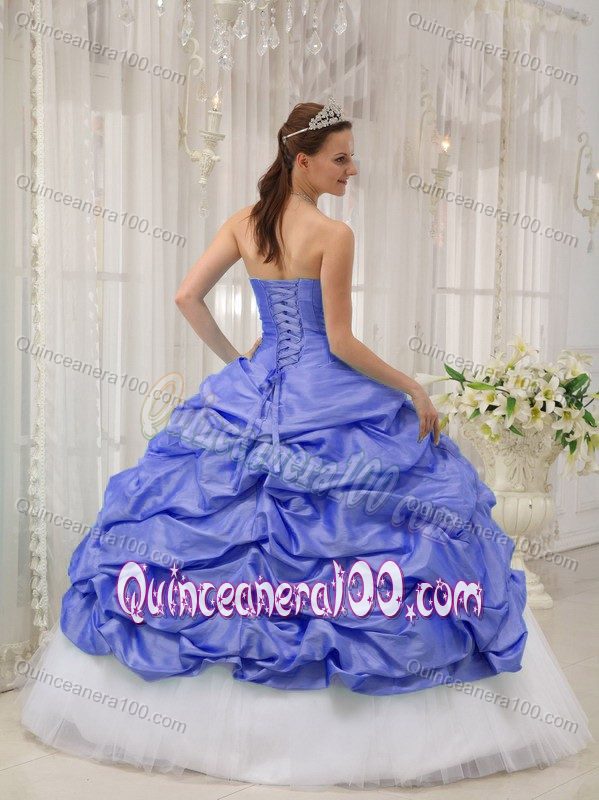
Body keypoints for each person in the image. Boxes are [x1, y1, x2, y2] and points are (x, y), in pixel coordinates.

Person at [14, 98, 594, 790]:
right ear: (302, 160)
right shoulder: (332, 234)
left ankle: (214, 723)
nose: (353, 169)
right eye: (341, 158)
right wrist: (411, 386)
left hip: (257, 386)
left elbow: (186, 296)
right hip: (326, 389)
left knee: (219, 528)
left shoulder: (245, 223)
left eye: (352, 156)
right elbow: (340, 342)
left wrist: (240, 363)